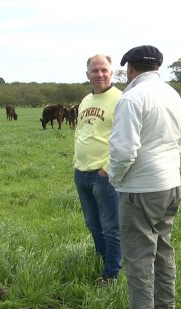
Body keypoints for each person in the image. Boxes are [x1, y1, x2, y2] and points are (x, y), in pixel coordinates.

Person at [108, 45, 181, 309]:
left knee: (138, 256)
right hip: (170, 184)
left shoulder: (132, 98)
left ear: (131, 68)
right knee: (163, 248)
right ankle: (166, 308)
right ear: (157, 67)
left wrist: (116, 178)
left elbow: (124, 150)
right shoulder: (172, 94)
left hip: (140, 188)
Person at [73, 54, 123, 283]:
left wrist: (107, 168)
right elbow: (81, 132)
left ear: (112, 73)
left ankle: (112, 273)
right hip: (81, 172)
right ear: (87, 75)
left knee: (111, 226)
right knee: (93, 224)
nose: (100, 74)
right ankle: (102, 261)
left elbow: (127, 139)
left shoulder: (121, 100)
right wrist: (76, 161)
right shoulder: (85, 101)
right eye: (95, 70)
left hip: (103, 175)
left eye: (104, 70)